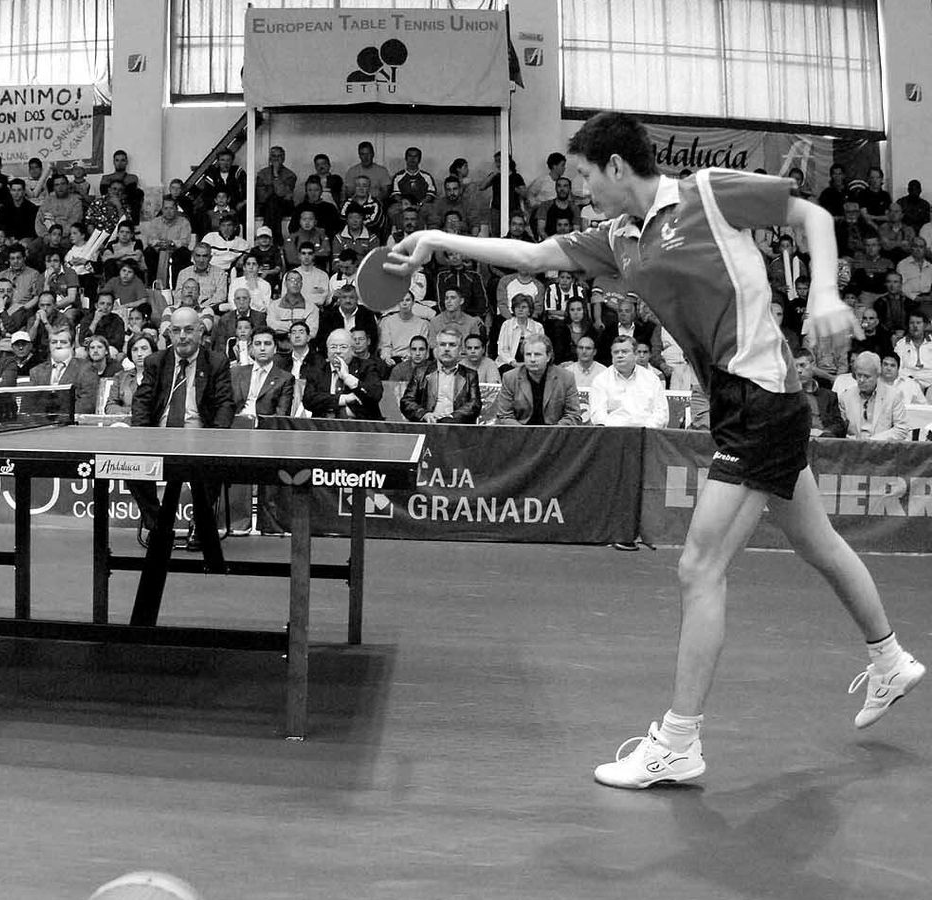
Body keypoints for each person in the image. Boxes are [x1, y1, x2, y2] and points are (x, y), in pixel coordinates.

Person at [386, 110, 922, 789]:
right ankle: (890, 657)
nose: (578, 191)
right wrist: (438, 236)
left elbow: (809, 215)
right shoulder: (619, 237)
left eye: (583, 176)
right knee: (817, 542)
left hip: (762, 395)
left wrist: (822, 293)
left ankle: (679, 741)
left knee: (699, 568)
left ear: (616, 167)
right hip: (740, 403)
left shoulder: (706, 192)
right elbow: (535, 256)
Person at [130, 307, 235, 547]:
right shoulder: (156, 361)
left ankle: (200, 522)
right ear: (169, 334)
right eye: (176, 331)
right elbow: (142, 401)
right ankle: (159, 525)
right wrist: (141, 437)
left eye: (189, 330)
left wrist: (215, 439)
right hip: (159, 438)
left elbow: (225, 403)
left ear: (200, 331)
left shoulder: (216, 362)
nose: (183, 336)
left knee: (213, 465)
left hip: (200, 438)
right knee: (130, 466)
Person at [399, 327, 481, 424]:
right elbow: (407, 402)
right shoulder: (420, 372)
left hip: (457, 428)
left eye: (452, 345)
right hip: (428, 426)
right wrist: (424, 414)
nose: (446, 349)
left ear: (460, 350)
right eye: (442, 344)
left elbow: (474, 404)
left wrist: (452, 418)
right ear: (436, 349)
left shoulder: (470, 375)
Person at [301, 328, 383, 419]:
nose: (338, 351)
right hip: (324, 426)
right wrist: (343, 399)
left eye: (343, 347)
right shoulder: (318, 370)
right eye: (333, 347)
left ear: (352, 350)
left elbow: (374, 395)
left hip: (360, 427)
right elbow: (309, 400)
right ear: (327, 350)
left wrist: (347, 377)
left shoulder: (366, 367)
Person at [588, 336, 669, 427]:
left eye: (624, 352)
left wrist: (647, 429)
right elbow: (598, 415)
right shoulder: (601, 380)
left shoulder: (652, 379)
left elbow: (661, 412)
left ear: (635, 355)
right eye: (616, 352)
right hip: (613, 434)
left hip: (646, 433)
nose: (620, 355)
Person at [230, 329, 295, 425]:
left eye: (267, 344)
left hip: (265, 429)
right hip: (235, 426)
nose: (262, 348)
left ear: (275, 348)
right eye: (257, 344)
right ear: (251, 348)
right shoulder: (236, 372)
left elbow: (281, 416)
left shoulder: (285, 378)